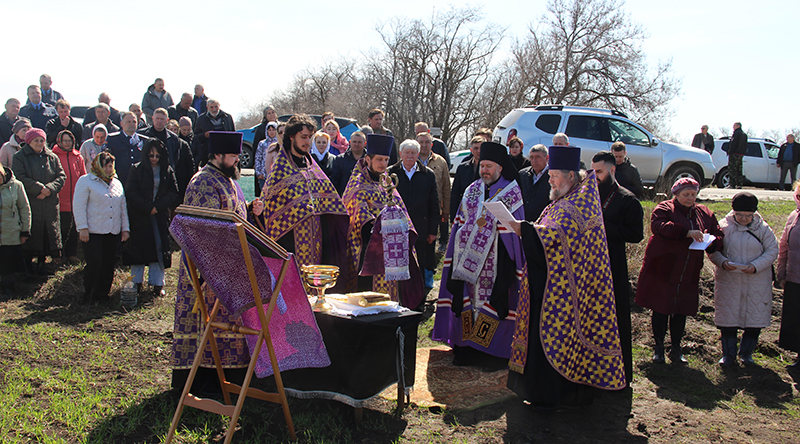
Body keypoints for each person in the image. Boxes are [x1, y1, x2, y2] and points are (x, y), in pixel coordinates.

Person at [507, 145, 626, 410]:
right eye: (549, 175)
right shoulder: (563, 200)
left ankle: (553, 394)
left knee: (558, 338)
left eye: (554, 175)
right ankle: (539, 390)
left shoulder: (576, 204)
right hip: (549, 281)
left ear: (571, 176)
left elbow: (558, 237)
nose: (549, 180)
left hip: (565, 292)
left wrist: (524, 230)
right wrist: (528, 231)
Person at [171, 131, 253, 391]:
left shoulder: (227, 179)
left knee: (226, 326)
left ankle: (226, 381)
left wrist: (251, 208)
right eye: (233, 156)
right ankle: (201, 382)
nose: (237, 161)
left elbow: (232, 215)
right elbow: (201, 230)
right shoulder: (203, 183)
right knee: (207, 326)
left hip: (229, 268)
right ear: (217, 155)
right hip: (207, 271)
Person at [433, 141, 526, 370]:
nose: (485, 170)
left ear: (500, 167)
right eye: (482, 165)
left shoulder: (511, 191)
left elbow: (516, 230)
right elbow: (459, 222)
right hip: (468, 263)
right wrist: (466, 236)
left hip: (498, 262)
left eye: (489, 166)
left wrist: (493, 233)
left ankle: (492, 352)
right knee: (468, 302)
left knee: (494, 303)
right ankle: (467, 348)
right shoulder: (472, 189)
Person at [635, 178, 724, 364]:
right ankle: (658, 346)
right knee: (660, 307)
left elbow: (717, 233)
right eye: (686, 195)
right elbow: (658, 226)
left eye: (693, 194)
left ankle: (676, 347)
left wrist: (712, 241)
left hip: (689, 269)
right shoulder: (665, 208)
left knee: (681, 310)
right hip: (664, 267)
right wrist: (686, 232)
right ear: (676, 194)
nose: (690, 198)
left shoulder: (704, 212)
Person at [258, 115, 351, 289]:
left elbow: (330, 199)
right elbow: (269, 209)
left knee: (315, 287)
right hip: (289, 242)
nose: (307, 141)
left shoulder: (312, 167)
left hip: (316, 239)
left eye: (309, 137)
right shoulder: (281, 169)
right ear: (291, 137)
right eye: (303, 137)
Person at [342, 133, 424, 307]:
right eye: (379, 159)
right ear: (368, 159)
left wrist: (404, 229)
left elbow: (403, 212)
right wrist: (383, 229)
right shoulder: (357, 185)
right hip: (367, 254)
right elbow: (360, 221)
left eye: (386, 160)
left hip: (393, 253)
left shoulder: (388, 184)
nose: (383, 164)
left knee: (392, 300)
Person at [591, 151, 644, 385]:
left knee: (616, 318)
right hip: (590, 267)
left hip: (614, 266)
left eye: (599, 172)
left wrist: (604, 226)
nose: (595, 176)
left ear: (612, 170)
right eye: (592, 171)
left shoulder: (627, 199)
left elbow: (635, 234)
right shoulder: (588, 196)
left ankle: (619, 373)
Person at [709, 192, 778, 367]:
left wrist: (755, 266)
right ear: (733, 212)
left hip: (757, 281)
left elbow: (772, 251)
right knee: (728, 320)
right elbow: (713, 250)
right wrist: (723, 263)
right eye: (740, 215)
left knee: (754, 320)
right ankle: (728, 355)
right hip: (729, 280)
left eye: (749, 216)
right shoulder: (723, 227)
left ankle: (746, 354)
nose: (744, 219)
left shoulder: (763, 229)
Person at [124, 138, 178, 296]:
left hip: (159, 216)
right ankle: (136, 282)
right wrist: (147, 207)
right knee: (138, 249)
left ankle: (157, 283)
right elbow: (131, 191)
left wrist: (158, 207)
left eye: (157, 156)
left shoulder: (167, 170)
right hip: (140, 215)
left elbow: (173, 192)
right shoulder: (136, 169)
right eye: (151, 155)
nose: (154, 159)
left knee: (159, 248)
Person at [73, 152, 129, 303]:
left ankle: (103, 295)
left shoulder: (116, 183)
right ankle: (89, 295)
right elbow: (79, 206)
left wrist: (125, 228)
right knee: (94, 263)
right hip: (93, 232)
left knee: (108, 264)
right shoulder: (86, 181)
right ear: (98, 165)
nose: (108, 169)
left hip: (112, 231)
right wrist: (82, 228)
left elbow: (122, 207)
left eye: (110, 166)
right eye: (105, 166)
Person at [11, 128, 65, 275]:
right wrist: (39, 189)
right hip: (31, 201)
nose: (39, 143)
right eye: (36, 140)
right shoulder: (20, 157)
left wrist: (49, 189)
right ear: (28, 141)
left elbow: (61, 176)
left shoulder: (52, 157)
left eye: (42, 140)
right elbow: (19, 176)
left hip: (48, 203)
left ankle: (42, 264)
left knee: (47, 234)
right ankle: (27, 267)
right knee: (32, 233)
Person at [388, 139, 439, 290]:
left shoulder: (427, 174)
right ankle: (398, 295)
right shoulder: (390, 173)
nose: (410, 156)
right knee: (397, 262)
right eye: (407, 152)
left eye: (413, 153)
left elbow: (434, 203)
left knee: (419, 264)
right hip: (396, 227)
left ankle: (418, 299)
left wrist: (432, 231)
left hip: (420, 228)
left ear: (418, 154)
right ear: (400, 154)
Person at [139, 108, 195, 207]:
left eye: (162, 119)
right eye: (157, 118)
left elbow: (175, 159)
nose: (159, 121)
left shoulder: (174, 139)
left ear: (167, 120)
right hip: (146, 177)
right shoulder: (142, 135)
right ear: (152, 118)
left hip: (166, 178)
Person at [52, 130, 86, 265]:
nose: (67, 143)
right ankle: (57, 254)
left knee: (73, 229)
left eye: (69, 141)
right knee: (61, 228)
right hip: (60, 198)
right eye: (65, 141)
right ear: (59, 141)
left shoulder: (78, 156)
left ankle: (71, 254)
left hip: (75, 199)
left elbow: (83, 175)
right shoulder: (53, 156)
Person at [776, 181, 800, 369]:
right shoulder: (793, 216)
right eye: (798, 196)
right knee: (794, 318)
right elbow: (784, 245)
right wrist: (781, 271)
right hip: (794, 277)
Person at [0, 161, 31, 299]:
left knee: (8, 263)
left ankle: (8, 290)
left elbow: (24, 208)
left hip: (10, 232)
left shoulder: (16, 186)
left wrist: (25, 230)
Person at [415, 132, 450, 250]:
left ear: (432, 144)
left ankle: (429, 264)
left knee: (431, 236)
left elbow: (446, 187)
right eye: (421, 142)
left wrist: (445, 210)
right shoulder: (411, 159)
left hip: (434, 206)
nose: (424, 145)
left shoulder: (441, 162)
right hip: (416, 206)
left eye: (427, 142)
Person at [107, 112, 148, 186]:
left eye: (134, 122)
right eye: (128, 121)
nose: (132, 124)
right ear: (121, 123)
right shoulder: (112, 139)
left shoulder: (145, 140)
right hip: (119, 181)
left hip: (139, 182)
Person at [450, 136, 483, 222]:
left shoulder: (491, 169)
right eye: (476, 148)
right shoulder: (462, 168)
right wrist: (453, 217)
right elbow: (455, 193)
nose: (479, 151)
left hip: (482, 213)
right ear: (471, 150)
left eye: (481, 148)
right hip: (465, 211)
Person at [193, 99, 235, 167]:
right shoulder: (201, 119)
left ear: (219, 106)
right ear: (207, 107)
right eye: (211, 107)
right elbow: (195, 136)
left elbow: (233, 134)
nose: (214, 109)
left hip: (225, 152)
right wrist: (205, 135)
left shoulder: (227, 117)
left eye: (216, 107)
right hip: (208, 153)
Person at [517, 144, 551, 221]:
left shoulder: (553, 176)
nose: (534, 160)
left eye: (538, 157)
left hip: (542, 222)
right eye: (531, 157)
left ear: (547, 158)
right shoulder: (522, 174)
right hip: (523, 221)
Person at [330, 130, 366, 195]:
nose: (356, 144)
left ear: (365, 143)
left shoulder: (370, 161)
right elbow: (335, 182)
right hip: (345, 199)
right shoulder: (340, 159)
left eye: (359, 142)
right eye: (354, 142)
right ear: (350, 142)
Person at [254, 121, 278, 195]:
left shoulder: (279, 143)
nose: (271, 132)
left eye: (273, 130)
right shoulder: (262, 143)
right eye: (269, 130)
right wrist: (258, 173)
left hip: (275, 174)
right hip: (263, 174)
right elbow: (258, 158)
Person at [728, 122, 748, 189]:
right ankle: (739, 184)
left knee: (732, 169)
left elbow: (733, 143)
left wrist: (730, 152)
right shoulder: (744, 135)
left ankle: (732, 184)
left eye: (734, 126)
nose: (733, 127)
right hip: (741, 154)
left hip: (735, 154)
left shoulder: (736, 133)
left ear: (738, 126)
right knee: (739, 170)